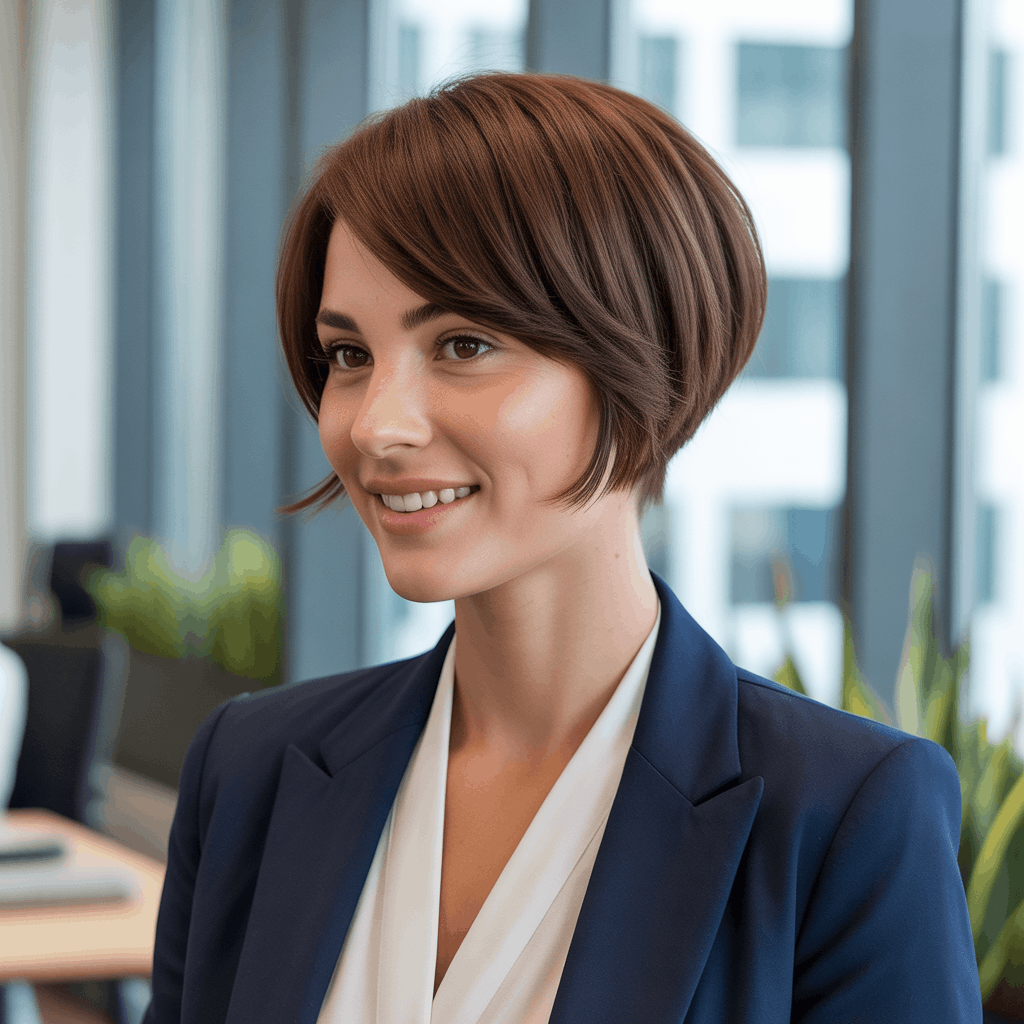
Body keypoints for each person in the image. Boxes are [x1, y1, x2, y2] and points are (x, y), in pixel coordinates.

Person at [144, 72, 981, 1023]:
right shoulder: (249, 767)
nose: (376, 424)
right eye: (349, 355)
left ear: (643, 362)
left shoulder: (842, 816)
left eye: (462, 344)